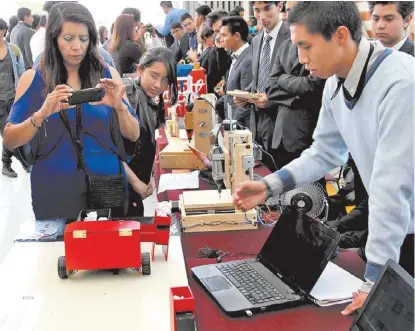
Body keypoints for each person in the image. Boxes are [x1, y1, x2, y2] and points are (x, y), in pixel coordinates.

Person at [233, 1, 414, 316]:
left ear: (340, 36)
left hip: (403, 223)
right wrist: (271, 186)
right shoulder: (335, 83)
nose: (301, 59)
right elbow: (325, 151)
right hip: (397, 222)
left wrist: (372, 282)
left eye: (306, 47)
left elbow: (391, 187)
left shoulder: (401, 84)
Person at [3, 2, 139, 221]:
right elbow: (9, 139)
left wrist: (120, 107)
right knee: (58, 253)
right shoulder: (35, 78)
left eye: (84, 39)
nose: (77, 47)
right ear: (54, 38)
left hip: (107, 184)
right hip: (55, 190)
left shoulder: (106, 74)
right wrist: (41, 114)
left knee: (108, 251)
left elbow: (134, 134)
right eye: (68, 39)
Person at [234, 1, 289, 171]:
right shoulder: (257, 40)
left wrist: (272, 99)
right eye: (257, 11)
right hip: (258, 119)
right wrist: (246, 95)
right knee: (266, 171)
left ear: (279, 6)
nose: (262, 16)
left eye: (267, 9)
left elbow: (299, 82)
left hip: (284, 120)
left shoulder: (292, 37)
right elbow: (259, 79)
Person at [125, 47, 177, 216]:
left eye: (165, 80)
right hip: (120, 189)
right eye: (153, 76)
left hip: (132, 189)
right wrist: (136, 182)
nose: (158, 85)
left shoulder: (146, 97)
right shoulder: (128, 97)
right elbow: (108, 148)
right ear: (140, 69)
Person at [0, 18, 27, 178]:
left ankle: (6, 163)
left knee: (13, 131)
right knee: (7, 133)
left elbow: (22, 74)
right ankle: (23, 161)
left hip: (13, 98)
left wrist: (22, 95)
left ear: (4, 31)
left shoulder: (14, 50)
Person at [216, 16, 252, 127]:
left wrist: (233, 126)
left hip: (241, 127)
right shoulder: (235, 56)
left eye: (224, 35)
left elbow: (245, 101)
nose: (220, 39)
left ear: (236, 36)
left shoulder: (248, 60)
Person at [187, 25, 221, 93]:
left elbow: (206, 73)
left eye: (199, 32)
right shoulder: (205, 51)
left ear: (206, 37)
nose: (197, 34)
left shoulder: (211, 52)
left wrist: (194, 59)